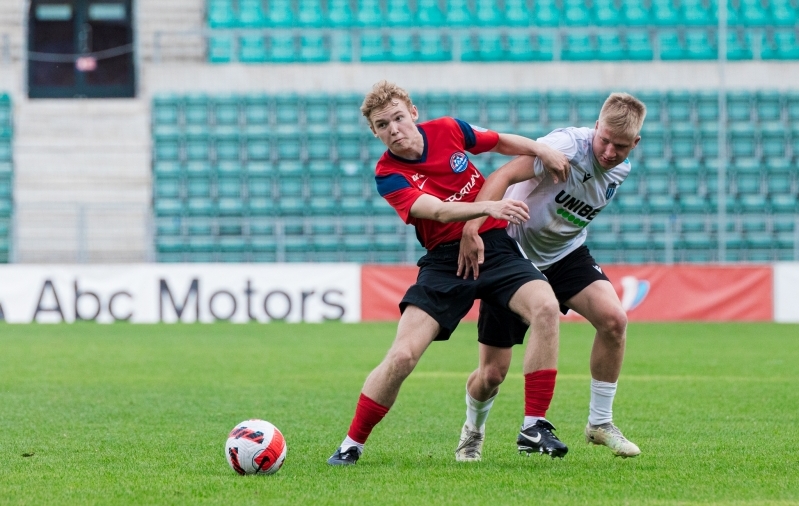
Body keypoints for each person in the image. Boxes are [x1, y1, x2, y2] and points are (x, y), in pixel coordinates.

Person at [327, 80, 573, 466]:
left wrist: (540, 147)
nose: (393, 129)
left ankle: (533, 426)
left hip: (497, 250)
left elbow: (500, 142)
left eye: (397, 117)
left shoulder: (449, 130)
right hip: (445, 262)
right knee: (403, 356)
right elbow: (439, 211)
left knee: (535, 319)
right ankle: (351, 444)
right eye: (382, 125)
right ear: (374, 133)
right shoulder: (387, 174)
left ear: (413, 112)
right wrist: (486, 209)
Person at [454, 92, 647, 461]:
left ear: (635, 144)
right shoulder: (566, 147)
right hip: (514, 254)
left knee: (614, 320)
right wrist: (473, 227)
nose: (609, 152)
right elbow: (504, 173)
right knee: (492, 374)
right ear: (596, 127)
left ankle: (600, 423)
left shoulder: (621, 169)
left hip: (566, 254)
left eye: (620, 146)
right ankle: (473, 430)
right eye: (604, 140)